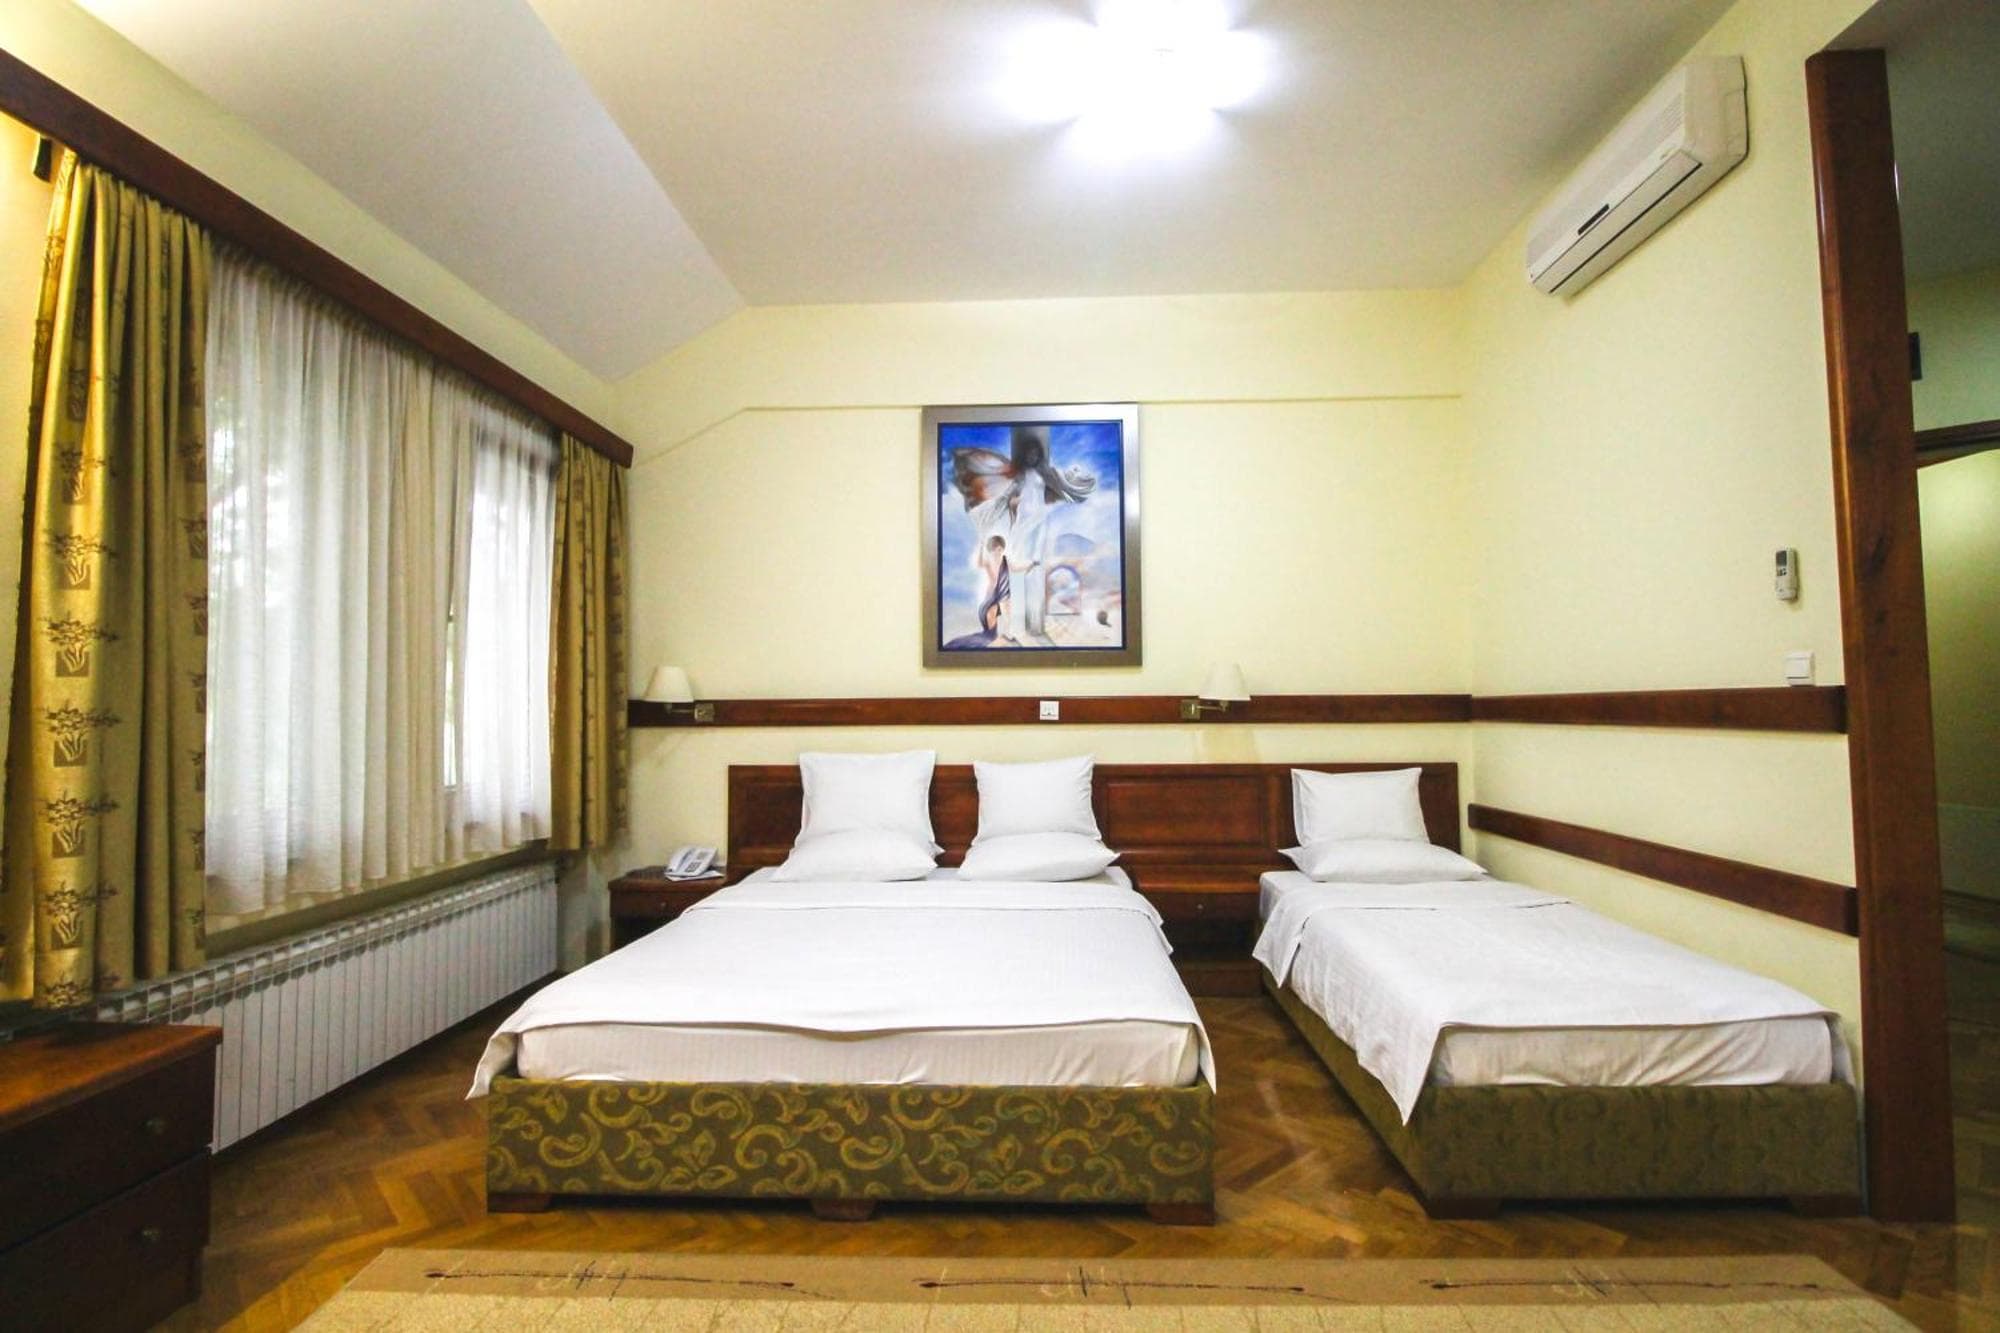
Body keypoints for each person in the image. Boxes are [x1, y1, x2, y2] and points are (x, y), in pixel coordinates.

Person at [948, 425, 1095, 639]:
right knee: (1016, 570)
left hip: (1038, 523)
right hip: (1021, 524)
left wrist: (1073, 480)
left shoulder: (1046, 475)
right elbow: (1006, 498)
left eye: (1036, 453)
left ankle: (1034, 623)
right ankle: (1017, 625)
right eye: (1029, 454)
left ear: (1039, 455)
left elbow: (1062, 487)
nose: (1032, 457)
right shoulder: (1018, 478)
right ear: (1025, 456)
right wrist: (1004, 503)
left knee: (1035, 570)